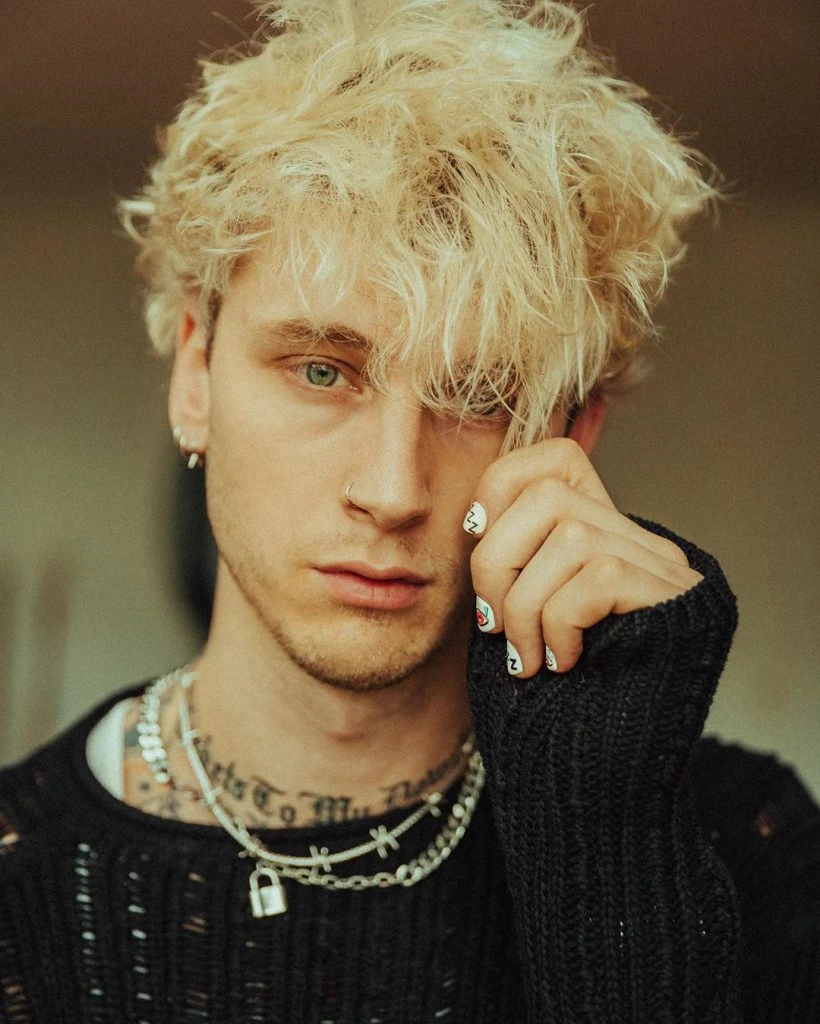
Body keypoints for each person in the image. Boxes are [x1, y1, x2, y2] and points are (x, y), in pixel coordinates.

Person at [1, 1, 817, 1021]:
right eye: (321, 369)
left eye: (478, 398)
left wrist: (610, 852)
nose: (392, 490)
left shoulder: (749, 841)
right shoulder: (17, 884)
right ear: (195, 376)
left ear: (574, 432)